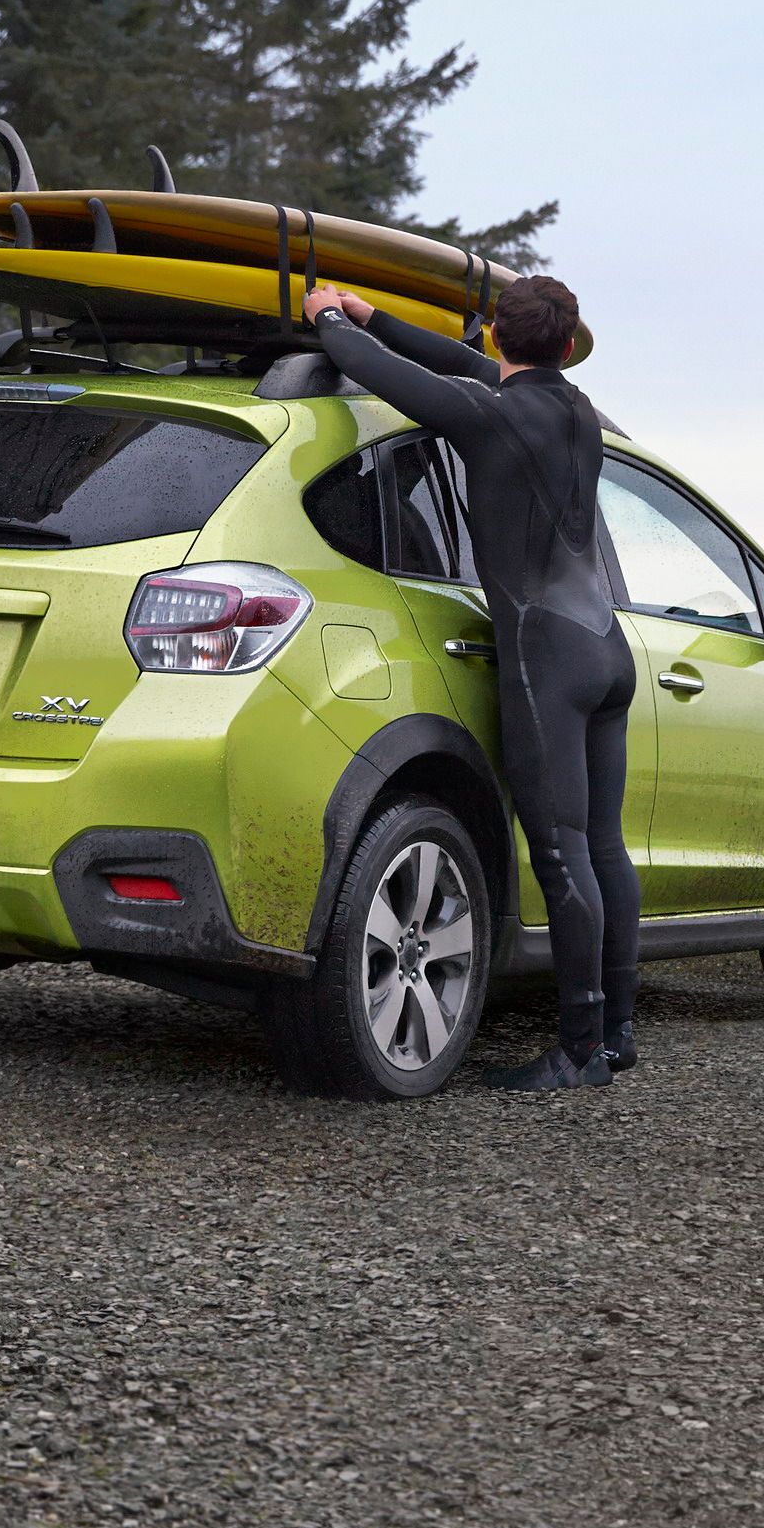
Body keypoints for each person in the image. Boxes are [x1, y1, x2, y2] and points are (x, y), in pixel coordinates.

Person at [300, 274, 639, 1091]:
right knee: (602, 845)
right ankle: (617, 1033)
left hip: (546, 660)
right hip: (606, 648)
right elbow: (454, 358)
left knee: (560, 856)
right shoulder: (578, 410)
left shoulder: (488, 413)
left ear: (497, 335)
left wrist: (331, 321)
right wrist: (375, 311)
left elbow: (392, 377)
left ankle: (580, 1051)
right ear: (566, 346)